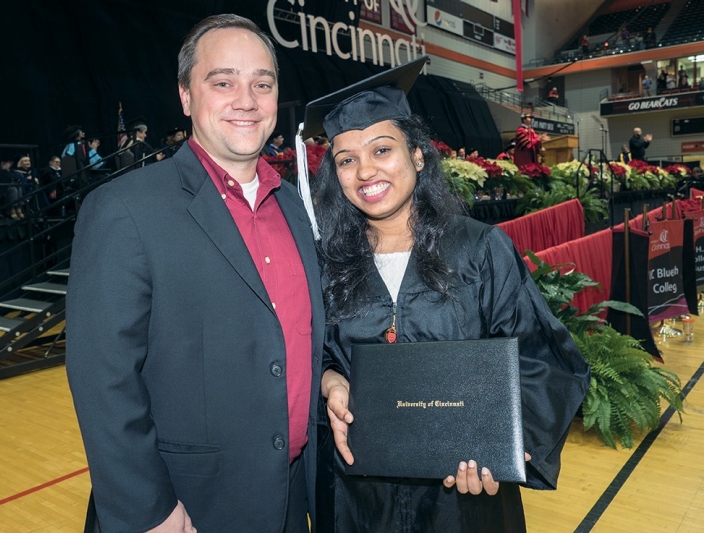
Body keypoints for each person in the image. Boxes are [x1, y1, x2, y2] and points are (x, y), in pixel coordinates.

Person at [303, 58, 590, 533]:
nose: (365, 171)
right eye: (347, 159)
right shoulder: (325, 262)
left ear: (417, 154)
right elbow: (305, 355)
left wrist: (505, 445)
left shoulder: (478, 248)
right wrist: (328, 382)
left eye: (382, 150)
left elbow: (543, 358)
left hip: (461, 500)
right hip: (358, 496)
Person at [66, 14, 325, 533]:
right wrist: (149, 511)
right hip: (186, 510)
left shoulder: (298, 208)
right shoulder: (123, 209)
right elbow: (102, 380)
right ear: (185, 96)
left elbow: (297, 340)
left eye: (262, 83)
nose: (246, 100)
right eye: (223, 81)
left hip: (291, 501)